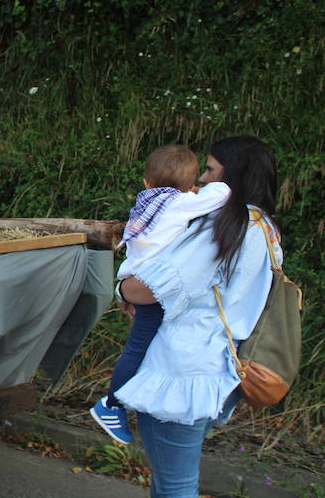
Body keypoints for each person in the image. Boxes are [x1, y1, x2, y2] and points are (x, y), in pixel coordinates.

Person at [115, 136, 281, 497]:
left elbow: (151, 288)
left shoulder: (226, 227)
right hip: (223, 369)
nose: (202, 180)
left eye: (209, 169)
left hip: (183, 371)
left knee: (174, 485)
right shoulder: (266, 227)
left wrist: (122, 290)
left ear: (232, 174)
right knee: (172, 480)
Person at [90, 145, 230, 444]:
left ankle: (120, 402)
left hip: (135, 274)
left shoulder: (147, 202)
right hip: (153, 284)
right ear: (190, 186)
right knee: (140, 348)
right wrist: (217, 186)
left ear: (146, 182)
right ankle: (111, 404)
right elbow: (220, 195)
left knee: (142, 346)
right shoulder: (179, 203)